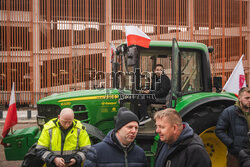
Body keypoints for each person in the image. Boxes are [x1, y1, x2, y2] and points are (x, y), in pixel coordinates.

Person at [83, 107, 147, 167]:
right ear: (118, 129)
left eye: (136, 128)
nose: (134, 131)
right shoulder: (96, 151)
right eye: (129, 127)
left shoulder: (140, 153)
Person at [215, 87, 250, 167]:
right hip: (235, 155)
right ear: (239, 98)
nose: (249, 100)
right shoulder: (229, 112)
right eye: (247, 98)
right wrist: (232, 144)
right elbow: (219, 130)